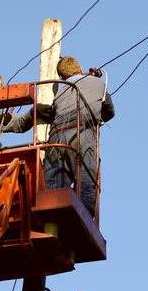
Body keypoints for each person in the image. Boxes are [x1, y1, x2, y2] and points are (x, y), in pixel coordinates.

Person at [42, 57, 115, 217]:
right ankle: (85, 216)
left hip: (56, 137)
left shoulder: (59, 93)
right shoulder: (98, 84)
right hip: (83, 132)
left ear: (61, 78)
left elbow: (53, 114)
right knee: (86, 177)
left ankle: (51, 221)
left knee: (54, 185)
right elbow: (110, 111)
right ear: (80, 68)